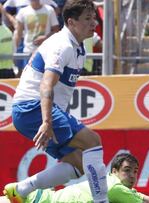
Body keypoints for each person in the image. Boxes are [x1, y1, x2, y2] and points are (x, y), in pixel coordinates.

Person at [4, 1, 109, 203]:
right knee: (92, 141)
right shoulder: (62, 45)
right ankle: (102, 201)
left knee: (78, 164)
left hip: (31, 110)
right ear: (71, 22)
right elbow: (46, 85)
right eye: (88, 18)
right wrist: (46, 121)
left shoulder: (77, 47)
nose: (94, 23)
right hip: (32, 107)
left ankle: (20, 190)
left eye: (94, 17)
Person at [0, 153, 149, 203]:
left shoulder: (111, 184)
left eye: (135, 171)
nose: (132, 176)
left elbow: (146, 198)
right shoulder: (114, 188)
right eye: (127, 170)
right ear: (114, 171)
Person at [14, 0, 60, 76]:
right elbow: (18, 34)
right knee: (27, 78)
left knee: (44, 78)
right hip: (28, 53)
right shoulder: (23, 12)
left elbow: (56, 30)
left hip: (46, 53)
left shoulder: (49, 10)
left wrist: (45, 38)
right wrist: (15, 52)